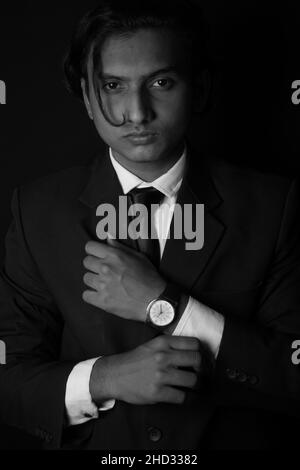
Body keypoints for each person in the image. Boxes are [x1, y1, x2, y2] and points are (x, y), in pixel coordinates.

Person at [0, 0, 300, 451]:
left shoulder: (276, 206)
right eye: (114, 86)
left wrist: (166, 308)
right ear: (86, 97)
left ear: (199, 89)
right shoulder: (38, 209)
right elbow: (7, 376)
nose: (136, 113)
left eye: (161, 82)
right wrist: (105, 379)